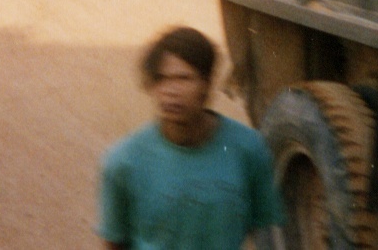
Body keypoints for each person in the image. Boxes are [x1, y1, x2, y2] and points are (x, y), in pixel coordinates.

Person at [98, 27, 284, 250]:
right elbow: (113, 243)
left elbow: (262, 230)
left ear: (207, 85)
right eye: (161, 79)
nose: (171, 91)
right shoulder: (124, 161)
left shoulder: (248, 149)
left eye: (183, 78)